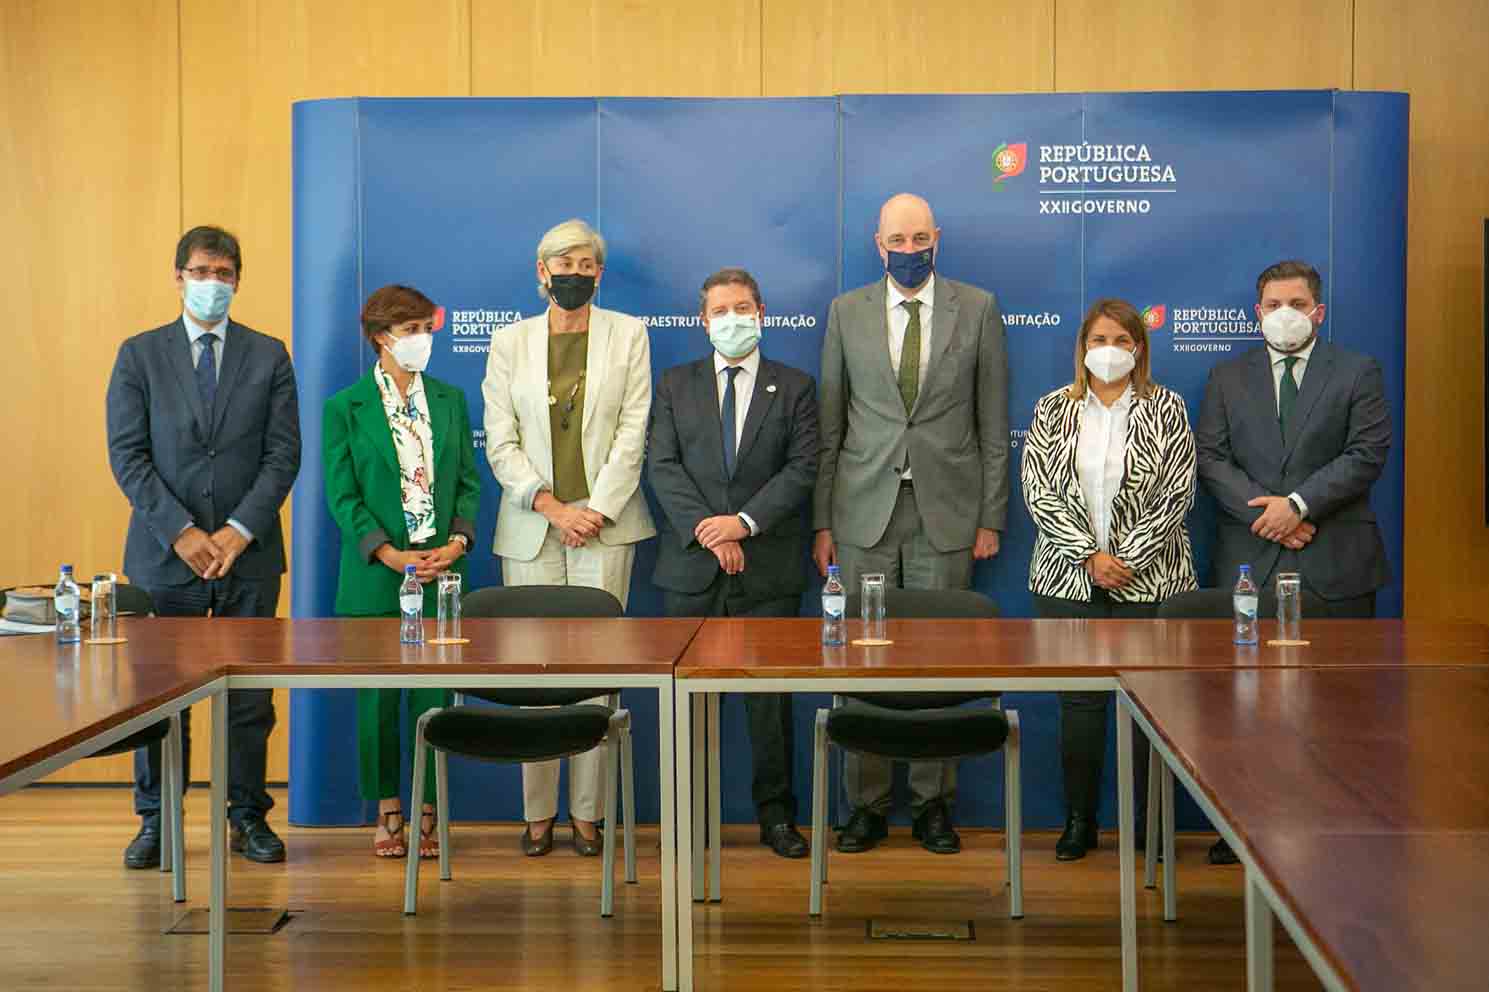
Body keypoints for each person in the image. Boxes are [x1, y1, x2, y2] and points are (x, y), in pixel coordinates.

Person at [813, 193, 1010, 855]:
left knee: (937, 659)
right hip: (861, 511)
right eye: (896, 239)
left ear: (937, 237)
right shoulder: (846, 312)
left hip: (947, 512)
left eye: (919, 237)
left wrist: (990, 516)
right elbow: (830, 429)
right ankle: (864, 806)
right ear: (877, 244)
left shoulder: (977, 308)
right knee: (859, 660)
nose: (908, 249)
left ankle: (931, 806)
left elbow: (992, 426)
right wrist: (821, 524)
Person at [106, 225, 301, 868]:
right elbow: (128, 456)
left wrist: (235, 532)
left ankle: (247, 816)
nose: (211, 283)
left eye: (223, 273)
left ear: (238, 280)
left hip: (249, 553)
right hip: (165, 557)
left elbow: (282, 455)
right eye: (200, 271)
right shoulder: (139, 355)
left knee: (248, 699)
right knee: (161, 697)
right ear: (178, 276)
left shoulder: (269, 355)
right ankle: (157, 821)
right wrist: (184, 533)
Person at [1195, 259, 1391, 864]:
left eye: (1297, 303)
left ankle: (1333, 825)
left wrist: (1300, 504)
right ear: (1257, 314)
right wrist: (1270, 514)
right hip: (1251, 555)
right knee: (1247, 708)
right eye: (1274, 304)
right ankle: (1246, 830)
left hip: (1335, 561)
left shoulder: (1358, 370)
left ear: (1318, 311)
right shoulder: (1227, 377)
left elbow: (1368, 452)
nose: (1285, 314)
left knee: (1339, 706)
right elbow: (1212, 457)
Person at [481, 219, 656, 857]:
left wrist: (595, 511)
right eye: (563, 264)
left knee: (596, 676)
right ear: (540, 272)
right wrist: (554, 508)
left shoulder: (628, 335)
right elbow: (500, 441)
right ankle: (538, 816)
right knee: (536, 673)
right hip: (533, 526)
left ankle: (588, 815)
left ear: (599, 274)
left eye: (585, 264)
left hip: (606, 529)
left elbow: (633, 432)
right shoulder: (508, 343)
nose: (574, 275)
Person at [648, 267, 819, 859]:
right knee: (688, 703)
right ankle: (688, 820)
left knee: (770, 705)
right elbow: (663, 467)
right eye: (719, 311)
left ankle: (777, 820)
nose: (731, 320)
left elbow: (801, 469)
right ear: (703, 321)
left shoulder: (794, 387)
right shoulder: (675, 384)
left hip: (766, 566)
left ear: (762, 312)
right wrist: (710, 529)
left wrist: (743, 524)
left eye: (742, 307)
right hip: (691, 565)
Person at [1022, 298, 1197, 861]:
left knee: (1152, 707)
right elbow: (1039, 492)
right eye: (1098, 340)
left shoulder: (1166, 407)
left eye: (1122, 341)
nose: (1110, 351)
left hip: (1151, 582)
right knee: (1079, 707)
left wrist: (1128, 557)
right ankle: (1080, 821)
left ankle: (1150, 827)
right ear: (1082, 349)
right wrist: (1088, 555)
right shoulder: (1053, 409)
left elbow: (1178, 491)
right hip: (1068, 581)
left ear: (1139, 350)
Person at [323, 285, 481, 859]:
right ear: (379, 337)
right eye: (410, 330)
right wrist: (387, 553)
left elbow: (467, 480)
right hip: (375, 575)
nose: (422, 340)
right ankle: (388, 809)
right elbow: (342, 497)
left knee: (433, 699)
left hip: (440, 572)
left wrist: (458, 541)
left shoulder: (451, 400)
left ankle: (430, 811)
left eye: (426, 329)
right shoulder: (345, 407)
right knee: (379, 700)